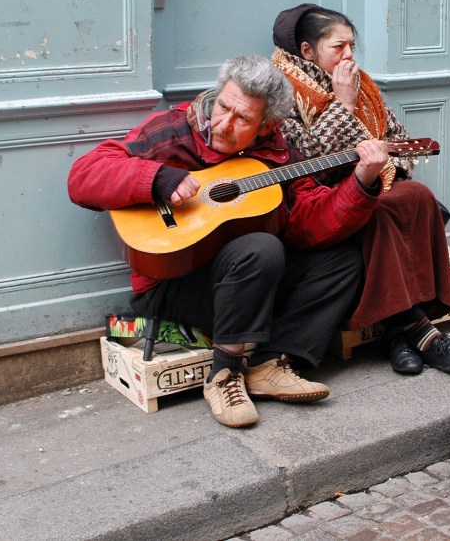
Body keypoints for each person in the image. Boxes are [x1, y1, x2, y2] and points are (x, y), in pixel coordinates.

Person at [68, 55, 390, 428]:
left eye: (243, 120)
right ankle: (225, 374)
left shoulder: (275, 153)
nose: (223, 124)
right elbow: (85, 174)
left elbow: (308, 223)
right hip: (172, 282)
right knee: (261, 248)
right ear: (218, 94)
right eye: (223, 107)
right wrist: (155, 177)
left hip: (249, 281)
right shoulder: (172, 130)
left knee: (341, 262)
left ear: (265, 125)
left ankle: (272, 364)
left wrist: (363, 181)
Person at [271, 3, 450, 375]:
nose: (349, 55)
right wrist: (343, 105)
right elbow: (306, 159)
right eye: (338, 47)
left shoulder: (361, 83)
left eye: (352, 45)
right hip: (316, 198)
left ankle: (399, 333)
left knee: (416, 196)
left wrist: (383, 168)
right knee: (376, 211)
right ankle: (417, 331)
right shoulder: (282, 92)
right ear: (306, 50)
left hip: (368, 182)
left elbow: (397, 140)